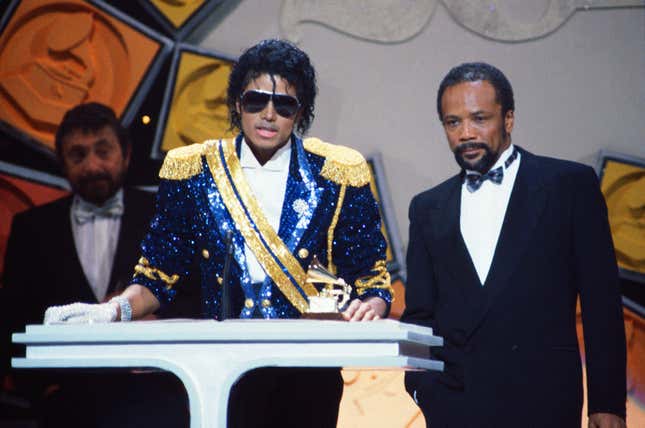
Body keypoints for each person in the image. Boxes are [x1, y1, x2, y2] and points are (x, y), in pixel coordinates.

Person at [44, 39, 393, 427]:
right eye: (256, 100)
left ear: (302, 112)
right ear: (237, 104)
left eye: (284, 105)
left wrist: (370, 305)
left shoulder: (335, 174)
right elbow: (158, 276)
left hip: (308, 371)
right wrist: (114, 310)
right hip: (220, 373)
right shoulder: (194, 171)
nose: (268, 114)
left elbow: (369, 279)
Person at [401, 62, 626, 427]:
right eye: (453, 122)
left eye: (479, 118)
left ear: (508, 119)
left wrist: (608, 403)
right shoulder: (427, 208)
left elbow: (602, 304)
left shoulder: (568, 186)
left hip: (544, 403)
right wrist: (423, 390)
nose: (466, 133)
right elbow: (420, 317)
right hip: (455, 407)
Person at [1, 102, 189, 427]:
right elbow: (13, 318)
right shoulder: (31, 228)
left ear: (125, 155)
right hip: (66, 406)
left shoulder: (165, 217)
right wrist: (43, 391)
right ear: (62, 163)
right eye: (78, 155)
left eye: (103, 152)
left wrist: (159, 321)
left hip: (156, 399)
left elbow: (194, 298)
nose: (91, 166)